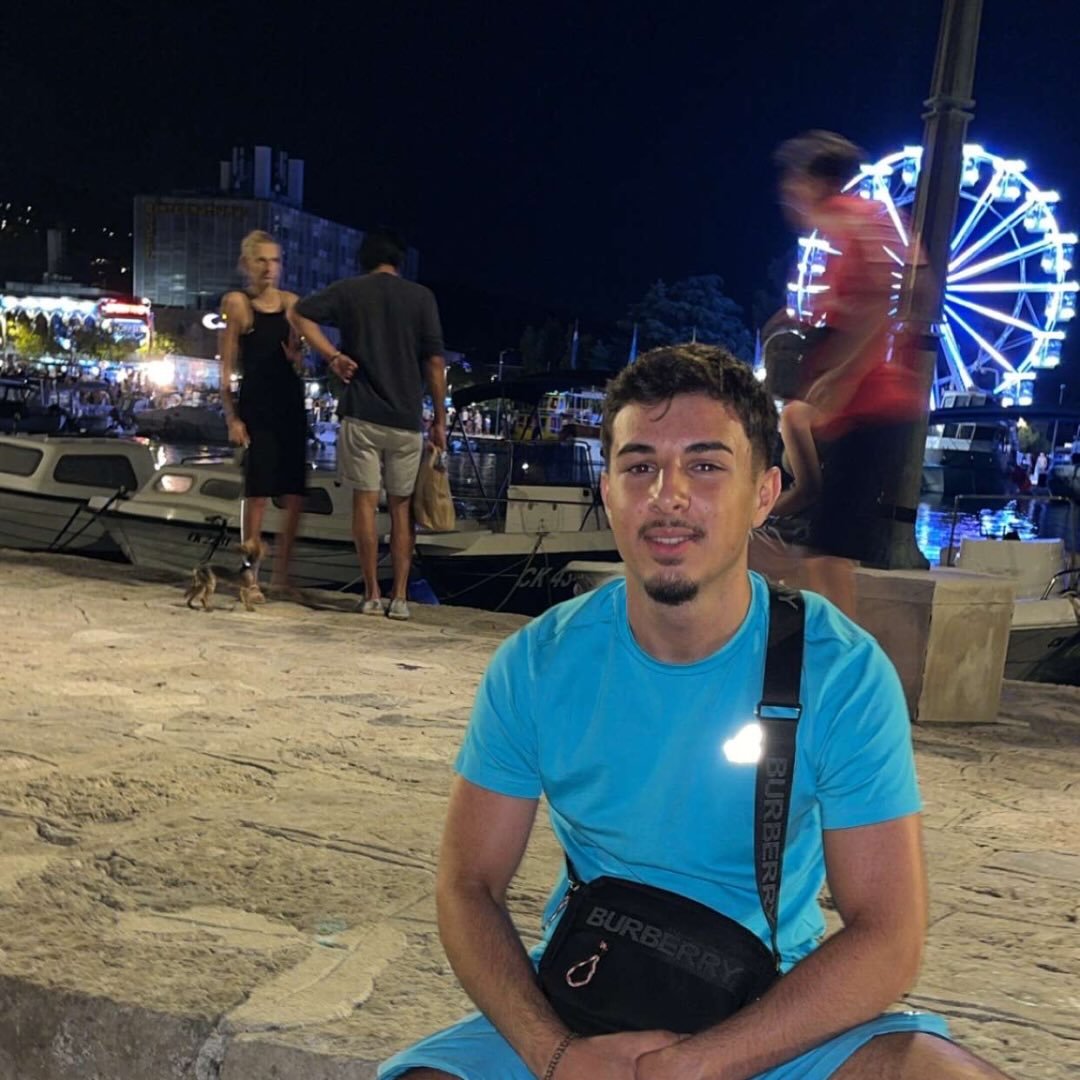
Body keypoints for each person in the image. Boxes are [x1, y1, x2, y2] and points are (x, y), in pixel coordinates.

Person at [379, 344, 1012, 1080]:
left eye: (706, 465)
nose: (668, 495)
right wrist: (554, 1055)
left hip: (773, 1006)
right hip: (588, 992)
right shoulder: (537, 663)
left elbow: (888, 935)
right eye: (639, 466)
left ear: (764, 493)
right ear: (608, 490)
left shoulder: (839, 672)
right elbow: (468, 885)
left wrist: (698, 1064)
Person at [764, 131, 924, 616]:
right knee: (827, 554)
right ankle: (837, 646)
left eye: (793, 181)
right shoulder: (851, 226)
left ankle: (846, 654)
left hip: (873, 407)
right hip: (859, 411)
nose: (787, 193)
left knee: (828, 557)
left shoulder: (856, 221)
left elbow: (879, 300)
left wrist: (845, 376)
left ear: (815, 181)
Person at [289, 228, 446, 621]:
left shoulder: (350, 291)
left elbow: (299, 314)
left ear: (364, 259)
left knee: (364, 501)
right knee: (401, 508)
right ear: (399, 261)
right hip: (405, 418)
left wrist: (332, 356)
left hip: (361, 413)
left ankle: (372, 594)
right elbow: (435, 363)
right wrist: (440, 421)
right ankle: (400, 598)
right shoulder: (421, 297)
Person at [219, 230, 307, 597]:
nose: (269, 268)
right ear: (246, 264)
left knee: (294, 494)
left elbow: (301, 360)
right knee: (256, 493)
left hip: (290, 405)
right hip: (257, 406)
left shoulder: (292, 304)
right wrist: (232, 417)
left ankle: (282, 576)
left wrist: (298, 358)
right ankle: (250, 573)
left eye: (275, 261)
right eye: (261, 260)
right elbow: (226, 368)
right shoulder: (238, 303)